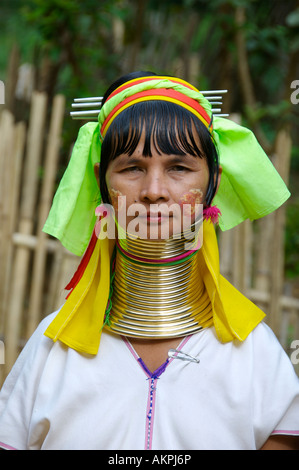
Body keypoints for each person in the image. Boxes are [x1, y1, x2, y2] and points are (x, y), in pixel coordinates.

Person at [0, 71, 298, 450]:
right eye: (132, 168)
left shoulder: (256, 354)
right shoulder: (51, 349)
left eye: (179, 167)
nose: (154, 192)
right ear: (101, 181)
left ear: (213, 183)